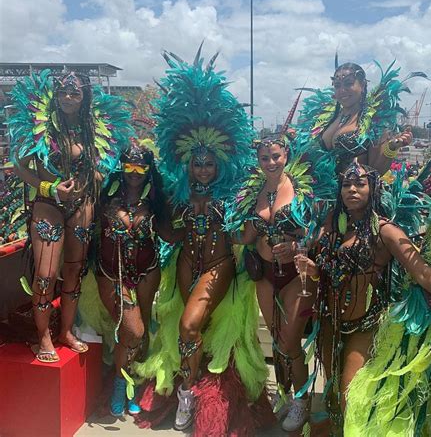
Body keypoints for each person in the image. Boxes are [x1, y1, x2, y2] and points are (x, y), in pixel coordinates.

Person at [134, 47, 269, 436]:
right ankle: (192, 381)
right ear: (188, 163)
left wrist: (233, 221)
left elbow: (245, 232)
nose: (203, 168)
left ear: (219, 164)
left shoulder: (231, 195)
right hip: (185, 263)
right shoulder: (180, 194)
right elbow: (170, 232)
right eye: (197, 163)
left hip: (219, 265)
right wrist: (158, 222)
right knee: (187, 326)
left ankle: (188, 392)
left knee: (191, 325)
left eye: (209, 163)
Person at [298, 161, 431, 435]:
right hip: (329, 324)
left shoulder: (385, 231)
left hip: (364, 325)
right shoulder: (333, 225)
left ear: (373, 189)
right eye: (346, 185)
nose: (352, 190)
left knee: (351, 399)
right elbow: (332, 272)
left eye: (360, 184)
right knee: (332, 392)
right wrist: (314, 271)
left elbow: (422, 272)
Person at [8, 70, 131, 362]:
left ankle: (65, 331)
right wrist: (49, 187)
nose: (67, 98)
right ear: (55, 94)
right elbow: (21, 167)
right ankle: (43, 336)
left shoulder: (93, 130)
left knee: (75, 272)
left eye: (74, 93)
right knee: (45, 275)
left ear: (84, 97)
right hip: (48, 206)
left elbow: (105, 164)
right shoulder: (40, 127)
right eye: (63, 92)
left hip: (82, 206)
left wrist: (93, 180)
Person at [227, 132, 333, 433]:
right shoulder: (253, 191)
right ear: (258, 160)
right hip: (264, 273)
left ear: (286, 155)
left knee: (289, 340)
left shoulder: (303, 188)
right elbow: (247, 236)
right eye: (264, 158)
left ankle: (301, 401)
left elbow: (320, 228)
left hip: (297, 276)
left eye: (276, 156)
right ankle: (286, 394)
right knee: (277, 340)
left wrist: (299, 247)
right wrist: (218, 228)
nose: (271, 162)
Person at [95, 143, 171, 417]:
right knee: (133, 330)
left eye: (141, 166)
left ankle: (135, 385)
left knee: (142, 332)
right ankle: (119, 383)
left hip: (147, 270)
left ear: (149, 169)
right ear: (121, 166)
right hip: (111, 273)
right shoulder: (106, 194)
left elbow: (170, 234)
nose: (135, 172)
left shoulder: (156, 199)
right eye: (129, 165)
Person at [298, 60, 426, 174]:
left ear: (363, 85)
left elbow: (376, 169)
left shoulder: (375, 118)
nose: (342, 90)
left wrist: (392, 147)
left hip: (353, 195)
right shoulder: (325, 117)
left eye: (348, 84)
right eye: (337, 85)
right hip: (322, 196)